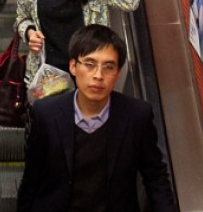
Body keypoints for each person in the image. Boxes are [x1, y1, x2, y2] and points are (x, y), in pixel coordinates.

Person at [17, 24, 176, 212]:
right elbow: (31, 179)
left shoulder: (137, 116)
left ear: (117, 74)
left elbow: (155, 177)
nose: (98, 76)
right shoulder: (46, 113)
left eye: (108, 67)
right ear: (73, 67)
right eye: (90, 65)